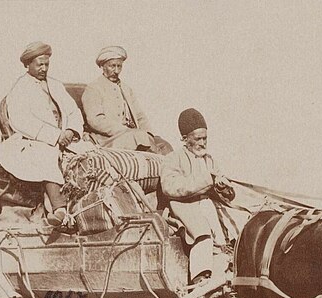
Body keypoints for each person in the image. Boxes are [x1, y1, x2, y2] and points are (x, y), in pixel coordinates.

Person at [0, 41, 85, 225]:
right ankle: (59, 209)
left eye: (46, 64)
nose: (43, 68)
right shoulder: (20, 89)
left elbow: (74, 112)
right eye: (39, 64)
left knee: (90, 155)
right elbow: (22, 122)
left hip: (65, 138)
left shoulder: (56, 85)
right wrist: (55, 136)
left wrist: (71, 130)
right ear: (28, 65)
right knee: (46, 157)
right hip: (33, 140)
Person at [160, 108, 235, 285]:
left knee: (230, 236)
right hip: (184, 208)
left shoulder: (210, 159)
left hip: (210, 206)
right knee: (203, 235)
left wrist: (224, 188)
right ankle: (200, 279)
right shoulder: (172, 159)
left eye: (205, 138)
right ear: (185, 139)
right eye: (198, 139)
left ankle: (222, 278)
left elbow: (223, 190)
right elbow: (171, 188)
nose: (202, 143)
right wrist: (207, 180)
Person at [81, 46, 157, 151]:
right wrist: (124, 131)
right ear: (103, 66)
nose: (116, 71)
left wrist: (149, 133)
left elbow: (140, 116)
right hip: (108, 138)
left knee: (163, 145)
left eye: (119, 66)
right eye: (112, 66)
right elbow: (95, 120)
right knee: (139, 138)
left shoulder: (126, 89)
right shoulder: (94, 88)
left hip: (133, 135)